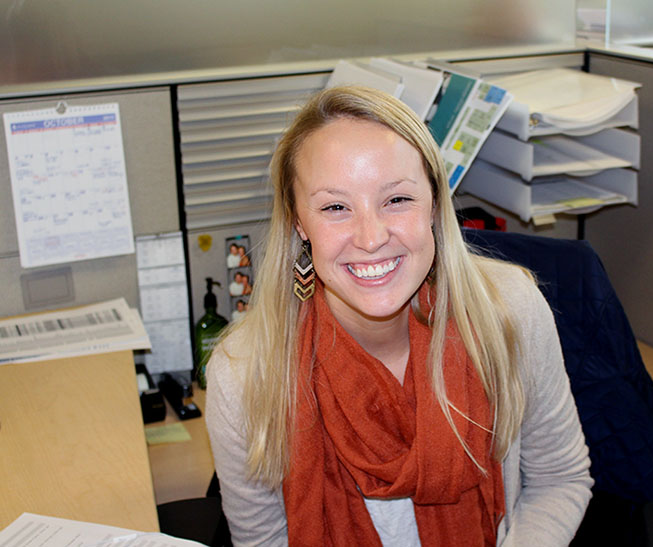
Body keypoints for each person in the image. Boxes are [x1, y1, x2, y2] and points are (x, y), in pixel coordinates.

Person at [206, 85, 593, 546]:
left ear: (434, 201)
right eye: (335, 207)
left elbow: (559, 478)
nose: (370, 238)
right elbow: (264, 541)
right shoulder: (245, 373)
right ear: (298, 222)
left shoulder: (508, 312)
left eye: (396, 200)